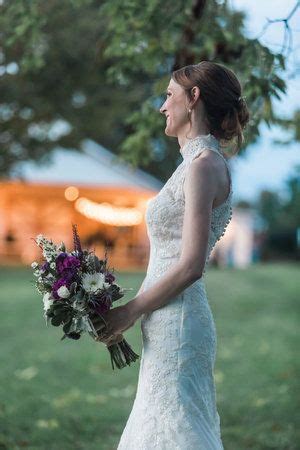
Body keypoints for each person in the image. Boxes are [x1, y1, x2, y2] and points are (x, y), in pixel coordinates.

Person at [93, 61, 249, 449]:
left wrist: (129, 312)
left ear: (193, 98)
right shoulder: (194, 165)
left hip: (177, 321)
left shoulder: (204, 166)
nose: (162, 106)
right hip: (165, 318)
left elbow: (192, 265)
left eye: (168, 95)